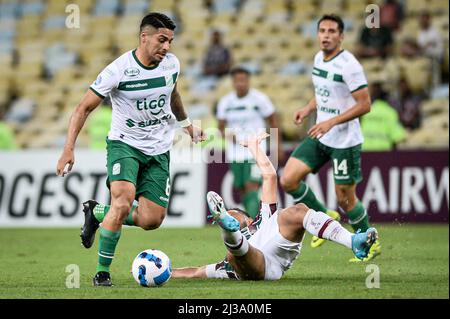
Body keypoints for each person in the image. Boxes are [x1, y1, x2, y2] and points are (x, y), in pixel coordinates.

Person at [55, 13, 206, 286]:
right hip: (125, 144)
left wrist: (187, 126)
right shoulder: (118, 70)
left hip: (159, 149)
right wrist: (68, 148)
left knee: (151, 219)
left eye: (170, 41)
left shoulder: (171, 64)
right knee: (122, 202)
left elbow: (173, 94)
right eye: (162, 40)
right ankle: (102, 273)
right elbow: (83, 108)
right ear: (144, 37)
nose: (167, 47)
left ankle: (96, 212)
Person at [172, 134, 378, 281]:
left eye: (236, 218)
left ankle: (353, 241)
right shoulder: (224, 267)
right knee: (233, 256)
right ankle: (227, 230)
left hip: (278, 243)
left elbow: (270, 176)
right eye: (232, 218)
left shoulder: (264, 218)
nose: (237, 219)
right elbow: (195, 272)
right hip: (262, 267)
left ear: (249, 220)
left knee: (297, 210)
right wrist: (167, 273)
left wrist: (254, 148)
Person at [280, 14, 381, 262]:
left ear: (341, 36)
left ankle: (370, 241)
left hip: (344, 140)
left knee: (346, 199)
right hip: (321, 134)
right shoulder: (318, 59)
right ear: (317, 34)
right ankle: (325, 214)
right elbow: (324, 93)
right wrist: (308, 108)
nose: (326, 35)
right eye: (322, 30)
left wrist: (331, 122)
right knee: (288, 180)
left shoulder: (350, 65)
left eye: (332, 31)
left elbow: (365, 104)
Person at [216, 66, 283, 219]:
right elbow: (220, 126)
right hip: (235, 152)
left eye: (243, 80)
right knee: (242, 189)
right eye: (237, 80)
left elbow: (273, 121)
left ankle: (253, 224)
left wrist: (277, 145)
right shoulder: (225, 102)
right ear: (233, 82)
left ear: (248, 81)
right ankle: (251, 221)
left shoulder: (259, 99)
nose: (241, 83)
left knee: (251, 185)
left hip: (255, 151)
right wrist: (228, 135)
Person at [361, 81, 406, 151]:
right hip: (383, 153)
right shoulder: (390, 112)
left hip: (365, 151)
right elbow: (398, 137)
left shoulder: (366, 111)